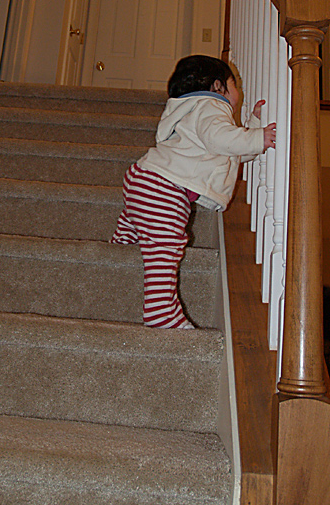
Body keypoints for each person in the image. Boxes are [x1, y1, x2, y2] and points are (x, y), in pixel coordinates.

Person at [111, 55, 276, 329]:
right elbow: (221, 139)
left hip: (144, 179)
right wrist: (258, 137)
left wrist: (254, 129)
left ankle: (124, 239)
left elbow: (229, 151)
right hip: (163, 189)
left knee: (141, 217)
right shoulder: (212, 106)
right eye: (236, 85)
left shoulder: (192, 109)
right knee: (167, 248)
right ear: (218, 86)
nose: (240, 93)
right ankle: (161, 313)